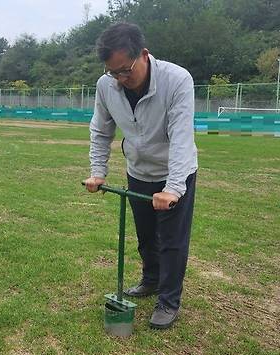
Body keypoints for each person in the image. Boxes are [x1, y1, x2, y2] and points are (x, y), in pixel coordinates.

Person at [83, 22, 198, 329]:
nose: (120, 79)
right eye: (113, 72)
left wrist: (173, 188)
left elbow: (182, 137)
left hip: (175, 174)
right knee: (146, 236)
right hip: (138, 170)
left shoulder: (176, 80)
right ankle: (150, 281)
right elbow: (101, 129)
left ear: (144, 55)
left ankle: (169, 301)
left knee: (172, 241)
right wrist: (98, 172)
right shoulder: (107, 85)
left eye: (125, 70)